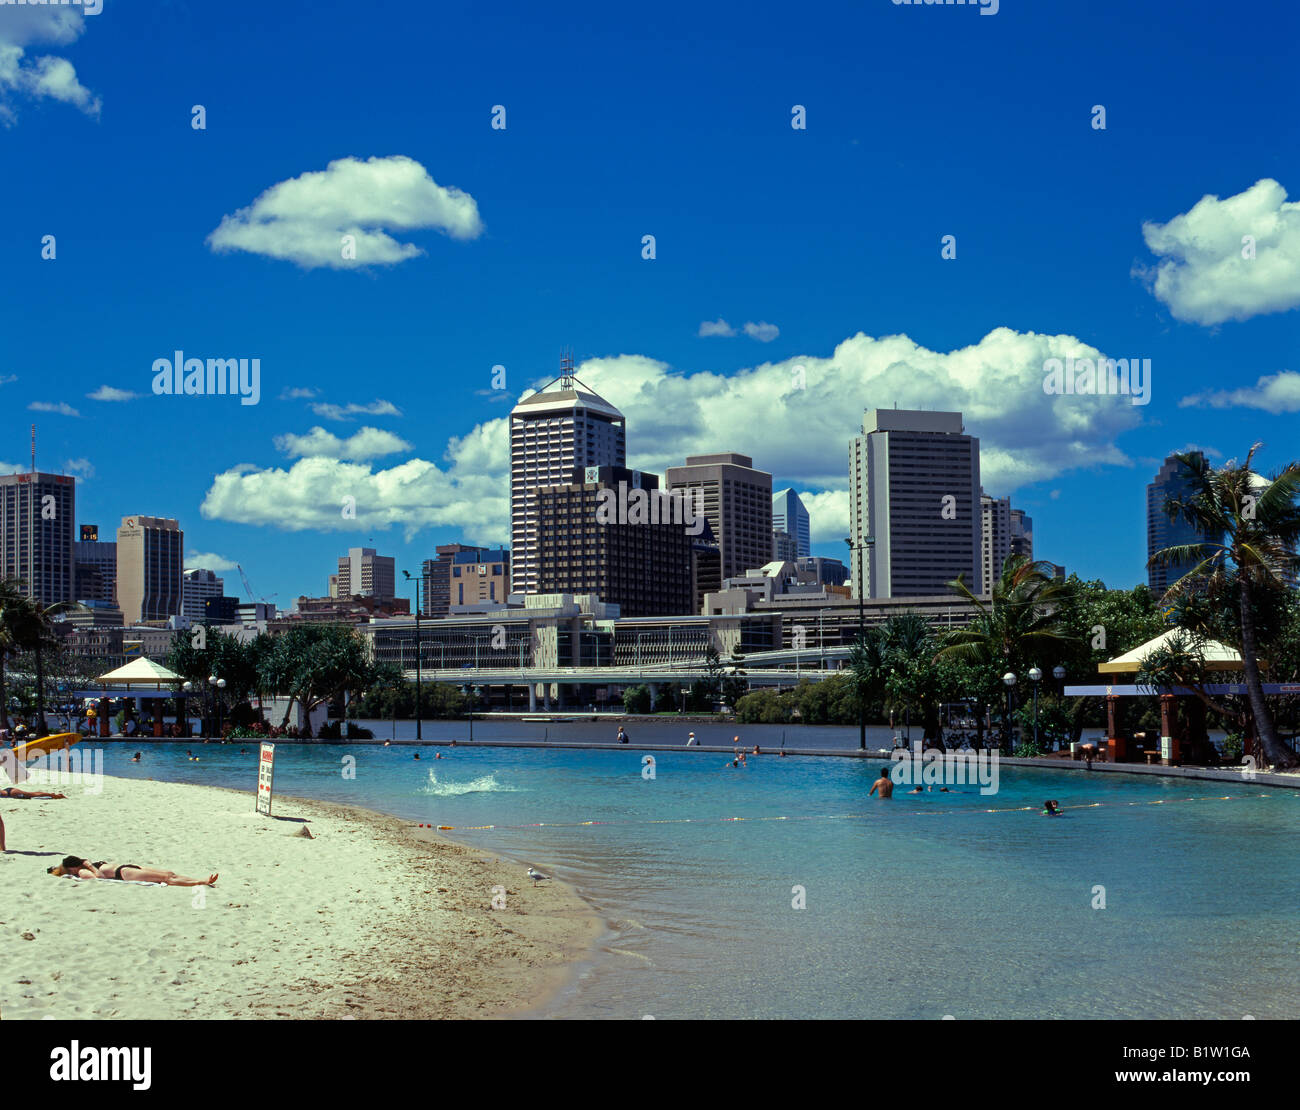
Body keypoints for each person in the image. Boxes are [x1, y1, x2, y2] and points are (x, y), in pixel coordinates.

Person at [47, 856, 218, 887]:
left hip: (127, 867)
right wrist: (88, 865)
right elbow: (98, 879)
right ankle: (200, 881)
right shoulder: (83, 872)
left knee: (169, 872)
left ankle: (198, 879)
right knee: (165, 878)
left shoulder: (84, 867)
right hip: (123, 873)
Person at [0, 786, 66, 799]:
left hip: (12, 793)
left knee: (32, 795)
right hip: (9, 791)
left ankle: (55, 795)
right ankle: (51, 795)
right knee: (32, 794)